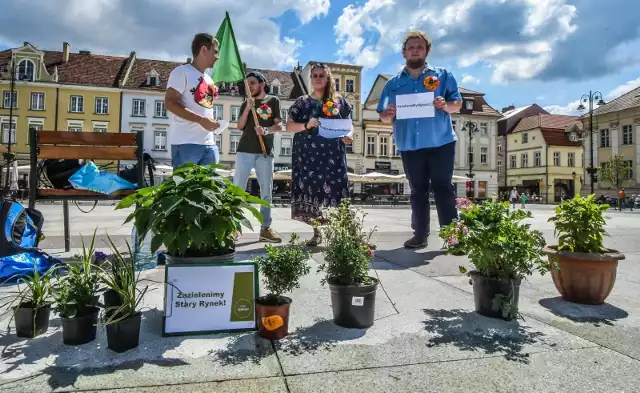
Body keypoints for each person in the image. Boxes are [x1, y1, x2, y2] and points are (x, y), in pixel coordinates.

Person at [377, 31, 462, 249]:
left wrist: (445, 105)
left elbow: (457, 105)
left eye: (420, 47)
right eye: (411, 47)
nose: (415, 50)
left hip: (440, 142)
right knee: (418, 190)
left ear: (426, 51)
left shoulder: (442, 75)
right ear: (404, 52)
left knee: (443, 188)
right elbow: (383, 116)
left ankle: (452, 236)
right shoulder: (391, 84)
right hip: (409, 144)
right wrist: (390, 113)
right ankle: (420, 234)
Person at [286, 63, 353, 246]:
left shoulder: (340, 102)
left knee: (337, 190)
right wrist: (306, 125)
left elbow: (349, 125)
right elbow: (289, 126)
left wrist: (349, 136)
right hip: (307, 156)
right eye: (314, 75)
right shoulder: (302, 102)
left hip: (333, 155)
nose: (317, 78)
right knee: (311, 192)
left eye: (321, 75)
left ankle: (342, 233)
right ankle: (317, 232)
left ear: (328, 77)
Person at [233, 71, 283, 243]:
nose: (250, 87)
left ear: (262, 84)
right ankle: (233, 227)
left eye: (252, 83)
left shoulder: (273, 101)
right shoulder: (246, 103)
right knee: (237, 190)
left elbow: (279, 126)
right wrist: (248, 107)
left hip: (265, 152)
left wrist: (266, 131)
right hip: (245, 150)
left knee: (266, 191)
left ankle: (265, 228)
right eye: (247, 84)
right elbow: (239, 126)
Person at [165, 33, 221, 169]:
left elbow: (205, 109)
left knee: (209, 189)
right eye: (215, 52)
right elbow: (170, 103)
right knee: (185, 189)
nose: (217, 57)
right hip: (186, 143)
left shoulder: (209, 79)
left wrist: (213, 123)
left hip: (209, 144)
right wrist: (201, 120)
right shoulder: (181, 72)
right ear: (203, 50)